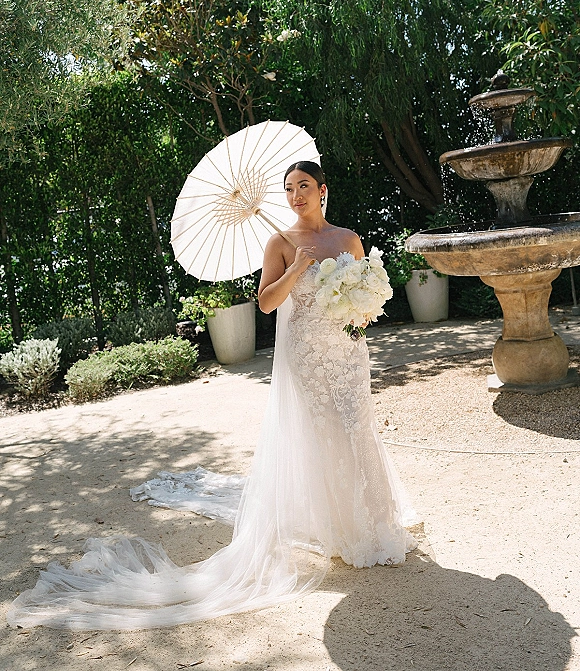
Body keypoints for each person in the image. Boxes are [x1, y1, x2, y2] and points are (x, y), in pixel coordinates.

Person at [7, 161, 416, 631]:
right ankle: (347, 533)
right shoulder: (279, 243)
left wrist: (361, 312)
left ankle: (379, 524)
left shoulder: (347, 239)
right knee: (327, 435)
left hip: (347, 352)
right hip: (307, 356)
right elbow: (266, 302)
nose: (296, 194)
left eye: (304, 186)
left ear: (323, 190)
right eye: (288, 189)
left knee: (357, 428)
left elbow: (363, 290)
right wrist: (298, 267)